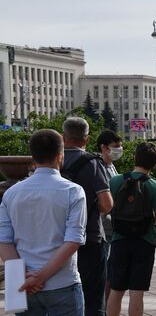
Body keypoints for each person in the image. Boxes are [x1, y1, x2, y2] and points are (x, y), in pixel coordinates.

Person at [0, 129, 87, 315]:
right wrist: (40, 277)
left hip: (23, 285)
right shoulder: (73, 191)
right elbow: (73, 241)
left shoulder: (11, 193)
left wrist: (23, 277)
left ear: (33, 156)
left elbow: (4, 240)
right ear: (60, 156)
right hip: (62, 282)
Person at [107, 142, 156, 316]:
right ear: (155, 163)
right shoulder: (154, 186)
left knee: (116, 290)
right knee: (137, 291)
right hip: (144, 241)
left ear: (135, 157)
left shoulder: (115, 180)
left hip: (119, 240)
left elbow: (106, 208)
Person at [62, 117, 113, 315]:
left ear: (64, 137)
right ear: (87, 139)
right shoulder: (92, 163)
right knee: (94, 299)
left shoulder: (52, 160)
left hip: (59, 240)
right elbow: (107, 204)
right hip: (90, 236)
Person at [96, 129, 123, 303]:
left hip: (113, 226)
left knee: (110, 273)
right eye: (115, 146)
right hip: (102, 227)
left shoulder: (111, 166)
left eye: (120, 146)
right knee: (104, 273)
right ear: (103, 148)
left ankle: (107, 307)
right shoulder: (97, 166)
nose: (119, 149)